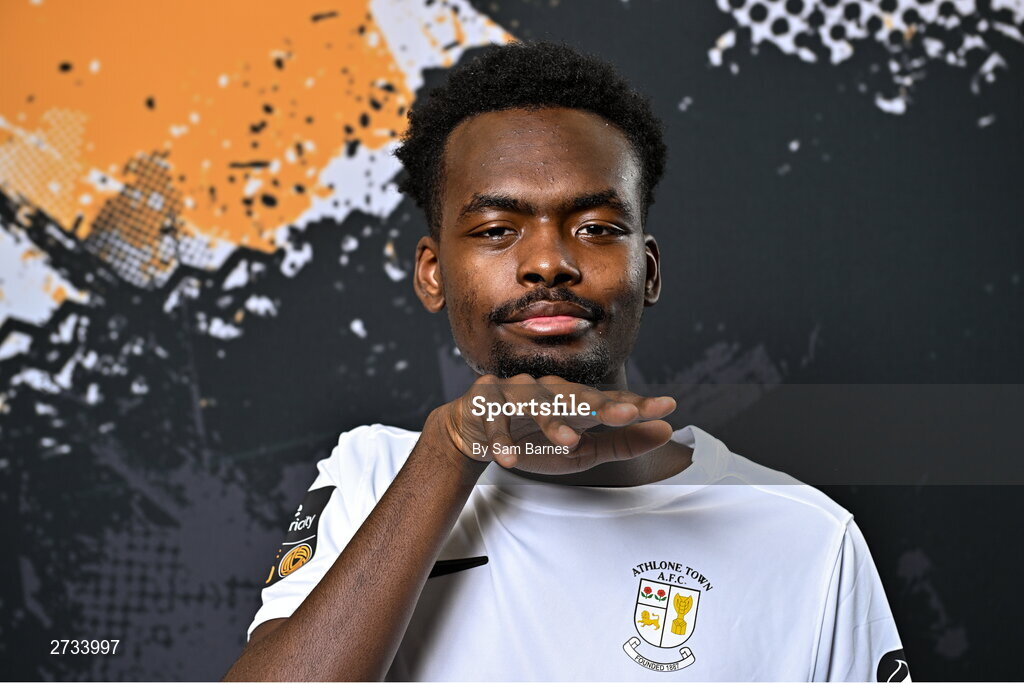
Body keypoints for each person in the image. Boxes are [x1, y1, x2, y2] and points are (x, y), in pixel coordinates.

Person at [224, 41, 908, 682]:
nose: (549, 261)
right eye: (497, 230)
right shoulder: (373, 476)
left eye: (596, 229)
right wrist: (453, 449)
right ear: (433, 274)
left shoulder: (805, 535)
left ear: (648, 270)